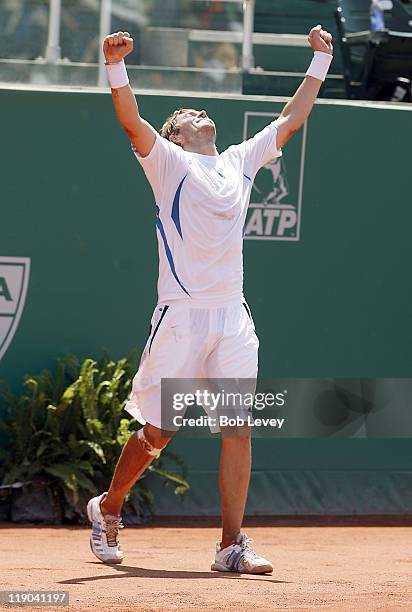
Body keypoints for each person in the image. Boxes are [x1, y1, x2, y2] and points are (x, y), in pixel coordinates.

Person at [87, 25, 333, 574]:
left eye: (202, 112)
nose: (202, 114)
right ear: (176, 137)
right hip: (180, 319)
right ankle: (107, 507)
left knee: (237, 426)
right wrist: (115, 66)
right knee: (158, 432)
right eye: (190, 114)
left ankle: (230, 546)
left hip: (232, 317)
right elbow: (131, 120)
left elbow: (291, 119)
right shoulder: (167, 164)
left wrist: (320, 61)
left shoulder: (239, 161)